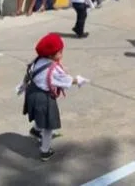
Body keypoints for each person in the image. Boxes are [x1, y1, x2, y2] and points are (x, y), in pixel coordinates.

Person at [18, 33, 90, 161]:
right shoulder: (53, 69)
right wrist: (78, 80)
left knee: (40, 116)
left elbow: (28, 73)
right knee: (48, 125)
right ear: (51, 55)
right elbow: (66, 80)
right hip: (43, 99)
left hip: (32, 93)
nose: (62, 54)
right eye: (60, 52)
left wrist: (23, 86)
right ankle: (45, 151)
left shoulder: (37, 60)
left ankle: (36, 130)